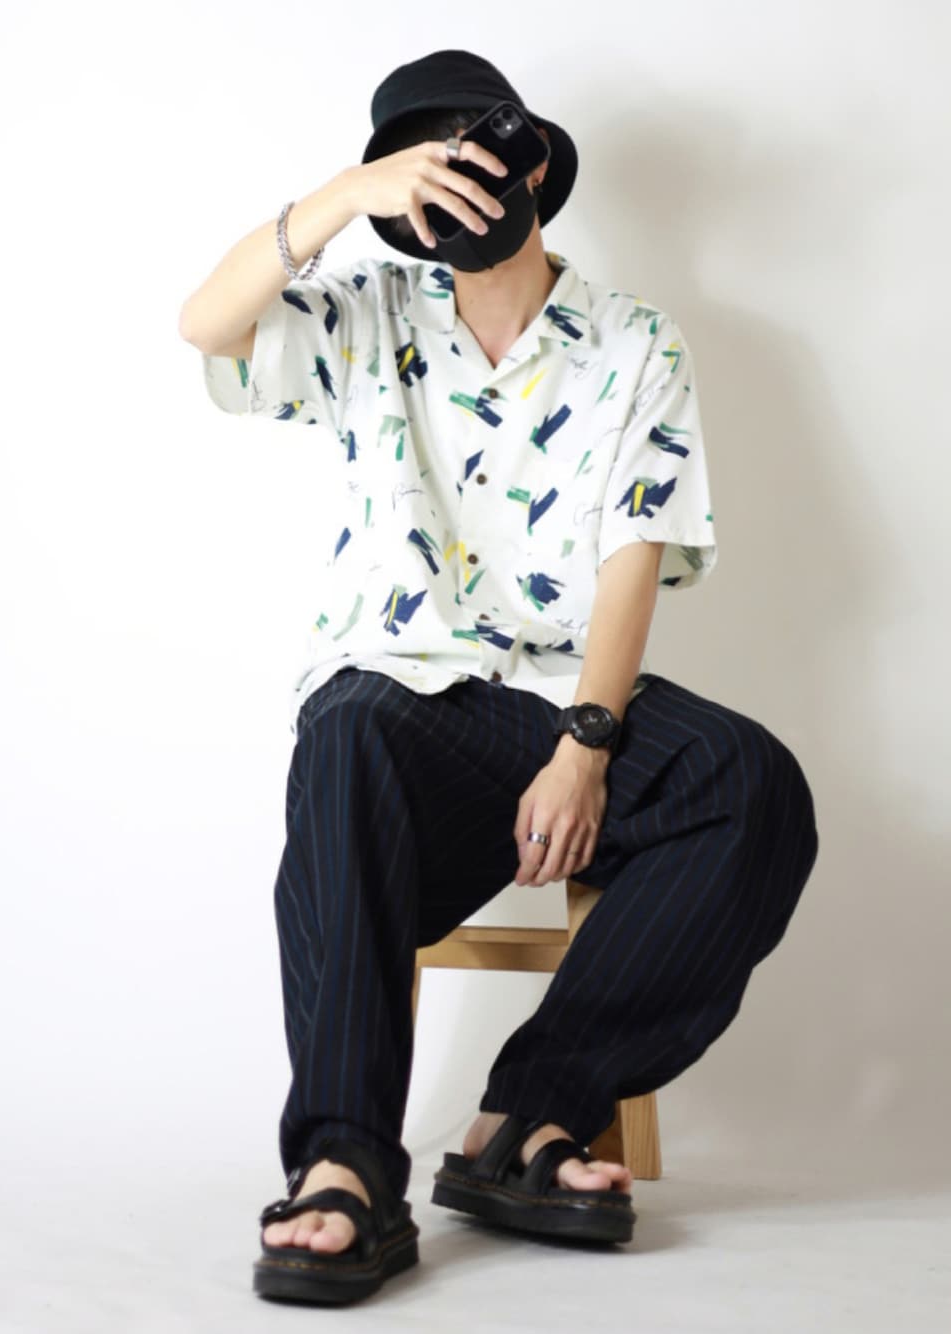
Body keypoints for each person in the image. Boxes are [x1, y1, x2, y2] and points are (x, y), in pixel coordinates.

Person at [180, 49, 819, 1306]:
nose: (456, 193)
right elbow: (208, 326)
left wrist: (587, 739)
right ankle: (343, 1164)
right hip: (402, 712)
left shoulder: (634, 339)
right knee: (347, 727)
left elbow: (635, 553)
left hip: (553, 696)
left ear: (529, 167)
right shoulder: (365, 312)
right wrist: (343, 195)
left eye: (472, 160)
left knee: (748, 780)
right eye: (423, 174)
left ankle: (527, 1117)